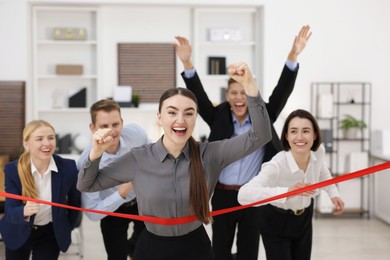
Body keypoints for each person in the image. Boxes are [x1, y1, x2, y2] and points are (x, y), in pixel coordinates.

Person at [77, 62, 272, 260]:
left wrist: (250, 86)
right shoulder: (138, 158)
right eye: (172, 112)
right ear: (160, 117)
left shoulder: (211, 154)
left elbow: (261, 135)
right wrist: (96, 152)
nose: (181, 120)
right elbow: (87, 184)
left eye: (189, 113)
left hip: (196, 248)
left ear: (195, 118)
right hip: (152, 248)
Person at [174, 25, 312, 260]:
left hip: (252, 196)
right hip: (222, 195)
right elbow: (197, 92)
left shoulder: (263, 116)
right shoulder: (218, 116)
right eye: (233, 93)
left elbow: (282, 91)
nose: (239, 98)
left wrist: (293, 55)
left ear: (251, 93)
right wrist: (187, 63)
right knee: (220, 251)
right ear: (227, 97)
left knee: (249, 252)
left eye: (243, 92)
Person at [238, 109, 345, 260]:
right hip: (276, 220)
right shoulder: (276, 165)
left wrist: (333, 193)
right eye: (294, 131)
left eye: (306, 131)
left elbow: (321, 168)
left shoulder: (318, 151)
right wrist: (286, 192)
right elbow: (243, 194)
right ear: (287, 136)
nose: (300, 137)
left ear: (314, 135)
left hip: (304, 218)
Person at [77, 99, 149, 260]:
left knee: (148, 248)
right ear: (92, 128)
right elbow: (92, 213)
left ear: (122, 123)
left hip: (141, 201)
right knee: (117, 256)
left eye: (115, 124)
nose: (111, 131)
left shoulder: (136, 133)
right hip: (111, 209)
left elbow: (153, 156)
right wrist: (121, 193)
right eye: (104, 127)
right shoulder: (86, 162)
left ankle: (132, 249)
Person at [0, 120, 81, 260]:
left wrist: (66, 226)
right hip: (18, 229)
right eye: (39, 139)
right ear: (26, 144)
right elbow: (10, 210)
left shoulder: (68, 167)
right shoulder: (13, 170)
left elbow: (75, 202)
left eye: (51, 138)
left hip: (49, 234)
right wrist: (24, 211)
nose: (47, 143)